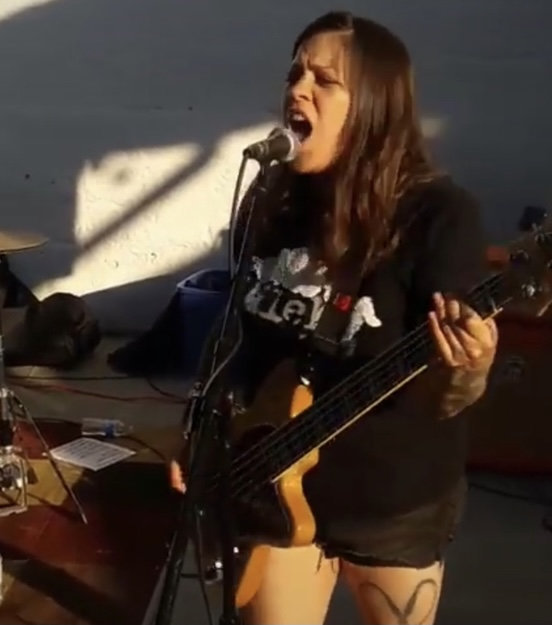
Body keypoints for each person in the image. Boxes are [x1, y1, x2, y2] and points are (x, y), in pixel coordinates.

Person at [171, 10, 498, 625]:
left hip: (388, 498)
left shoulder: (438, 215)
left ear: (375, 106)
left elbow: (447, 389)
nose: (298, 89)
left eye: (325, 80)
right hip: (270, 483)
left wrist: (469, 367)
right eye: (295, 73)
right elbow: (235, 335)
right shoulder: (271, 198)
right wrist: (199, 433)